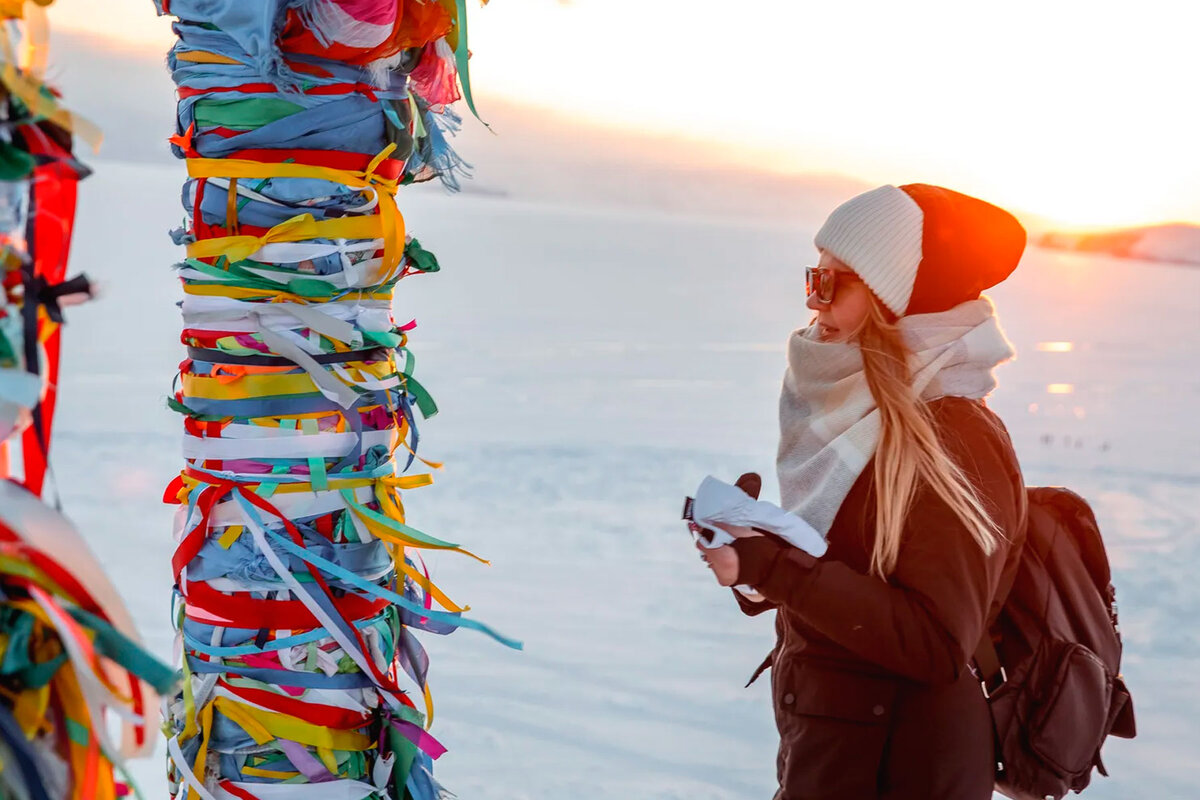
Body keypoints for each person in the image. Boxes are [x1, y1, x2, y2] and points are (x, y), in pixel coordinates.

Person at [697, 184, 1030, 799]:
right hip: (839, 757)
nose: (813, 302)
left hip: (902, 770)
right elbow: (852, 575)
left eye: (833, 282)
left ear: (895, 301)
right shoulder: (866, 416)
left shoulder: (951, 435)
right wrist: (757, 550)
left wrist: (776, 564)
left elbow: (934, 642)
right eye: (811, 278)